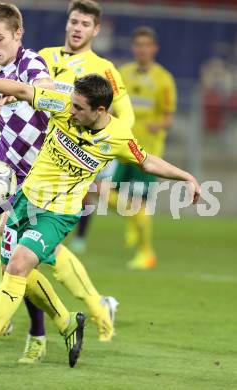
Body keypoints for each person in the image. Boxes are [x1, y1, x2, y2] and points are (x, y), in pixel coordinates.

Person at [0, 73, 200, 368]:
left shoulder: (118, 136)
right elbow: (21, 89)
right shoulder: (61, 104)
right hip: (24, 203)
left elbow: (146, 160)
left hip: (58, 215)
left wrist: (186, 176)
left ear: (100, 111)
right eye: (72, 104)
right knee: (16, 274)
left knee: (18, 266)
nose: (71, 111)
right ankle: (67, 322)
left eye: (79, 108)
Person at [0, 3, 115, 363]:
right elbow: (2, 52)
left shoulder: (32, 65)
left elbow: (42, 84)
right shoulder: (5, 58)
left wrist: (15, 87)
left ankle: (42, 332)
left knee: (19, 267)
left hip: (30, 186)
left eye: (0, 38)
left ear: (19, 35)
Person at [42, 0, 135, 255]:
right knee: (27, 239)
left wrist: (105, 144)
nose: (77, 28)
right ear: (67, 23)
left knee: (39, 240)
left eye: (85, 24)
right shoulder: (44, 57)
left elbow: (127, 115)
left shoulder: (105, 69)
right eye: (74, 22)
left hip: (72, 154)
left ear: (96, 30)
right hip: (37, 151)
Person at [113, 27, 177, 269]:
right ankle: (134, 218)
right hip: (121, 147)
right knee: (103, 191)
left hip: (147, 153)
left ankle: (146, 253)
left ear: (154, 49)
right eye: (138, 45)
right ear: (133, 48)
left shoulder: (164, 79)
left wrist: (156, 125)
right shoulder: (123, 74)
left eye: (146, 45)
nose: (142, 49)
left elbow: (168, 118)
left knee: (139, 202)